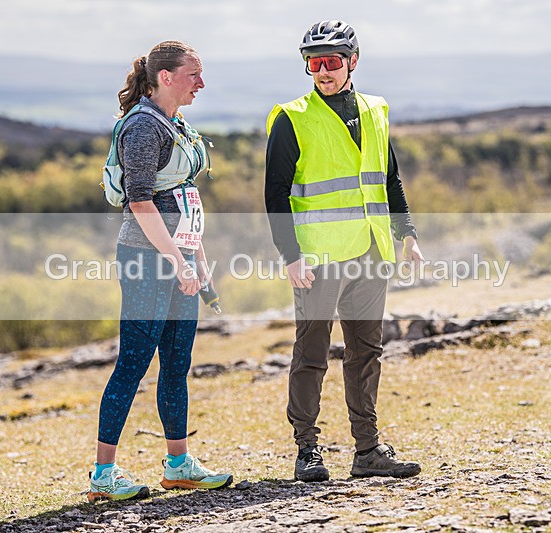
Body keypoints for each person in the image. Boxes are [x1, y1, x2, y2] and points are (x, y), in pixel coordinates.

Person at [265, 20, 425, 482]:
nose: (322, 71)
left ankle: (368, 450)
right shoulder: (291, 117)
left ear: (352, 62)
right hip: (316, 257)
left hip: (371, 251)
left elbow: (388, 178)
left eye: (331, 62)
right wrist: (289, 255)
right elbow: (275, 193)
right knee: (311, 353)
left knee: (366, 351)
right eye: (313, 63)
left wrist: (406, 232)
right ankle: (307, 451)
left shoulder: (376, 109)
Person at [88, 41, 232, 502]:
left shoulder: (176, 123)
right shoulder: (144, 128)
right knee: (133, 361)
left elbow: (182, 195)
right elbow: (141, 201)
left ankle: (178, 464)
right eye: (195, 74)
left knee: (177, 363)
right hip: (147, 259)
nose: (202, 84)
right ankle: (103, 477)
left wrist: (197, 256)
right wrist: (176, 261)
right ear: (166, 77)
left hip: (180, 256)